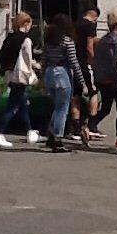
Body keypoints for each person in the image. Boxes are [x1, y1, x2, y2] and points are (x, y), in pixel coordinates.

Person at [0, 12, 41, 148]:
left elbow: (1, 56)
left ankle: (30, 131)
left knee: (23, 102)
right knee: (13, 105)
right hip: (20, 75)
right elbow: (27, 59)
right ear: (25, 24)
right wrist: (36, 66)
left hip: (9, 73)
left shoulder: (10, 38)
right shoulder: (26, 40)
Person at [42, 13, 89, 153]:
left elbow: (43, 60)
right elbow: (74, 63)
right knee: (62, 108)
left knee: (56, 106)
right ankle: (57, 138)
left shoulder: (49, 41)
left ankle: (51, 134)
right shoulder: (67, 41)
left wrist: (42, 78)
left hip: (49, 73)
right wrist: (83, 82)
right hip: (62, 73)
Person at [90, 10, 117, 149]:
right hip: (115, 80)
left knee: (106, 108)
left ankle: (91, 124)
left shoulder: (103, 40)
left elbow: (97, 61)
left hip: (103, 80)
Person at [71, 7, 100, 142]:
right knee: (93, 92)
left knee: (76, 94)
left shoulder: (75, 24)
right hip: (84, 63)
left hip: (73, 63)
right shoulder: (90, 26)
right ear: (95, 16)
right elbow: (89, 47)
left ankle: (76, 126)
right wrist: (93, 61)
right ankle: (90, 125)